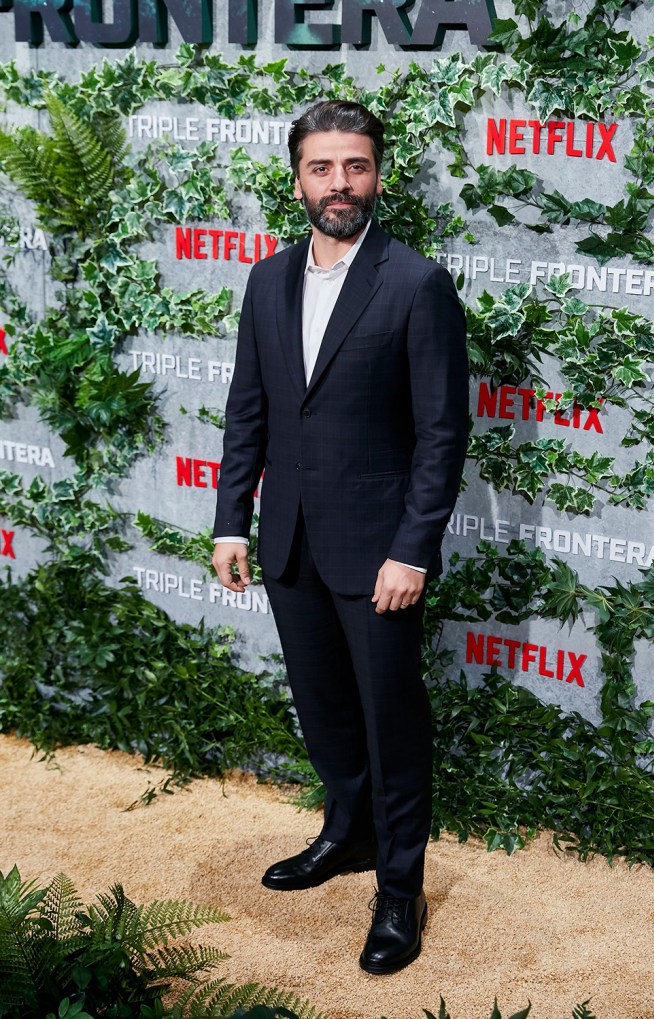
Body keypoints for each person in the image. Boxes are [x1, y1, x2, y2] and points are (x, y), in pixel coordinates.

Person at [212, 99, 468, 974]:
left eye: (355, 166)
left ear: (378, 175)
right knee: (325, 714)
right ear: (297, 180)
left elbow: (442, 434)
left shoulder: (415, 282)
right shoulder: (267, 278)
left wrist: (413, 549)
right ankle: (346, 835)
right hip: (289, 541)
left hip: (379, 552)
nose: (340, 183)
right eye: (322, 168)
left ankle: (399, 889)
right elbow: (249, 409)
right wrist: (228, 521)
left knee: (393, 725)